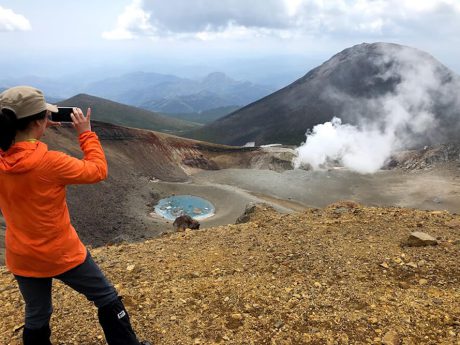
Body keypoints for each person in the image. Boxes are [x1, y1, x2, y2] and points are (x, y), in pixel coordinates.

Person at [0, 86, 150, 345]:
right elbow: (97, 170)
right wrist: (86, 133)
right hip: (62, 253)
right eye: (45, 116)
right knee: (106, 297)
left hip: (22, 256)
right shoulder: (51, 162)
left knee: (37, 314)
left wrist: (32, 135)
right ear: (39, 121)